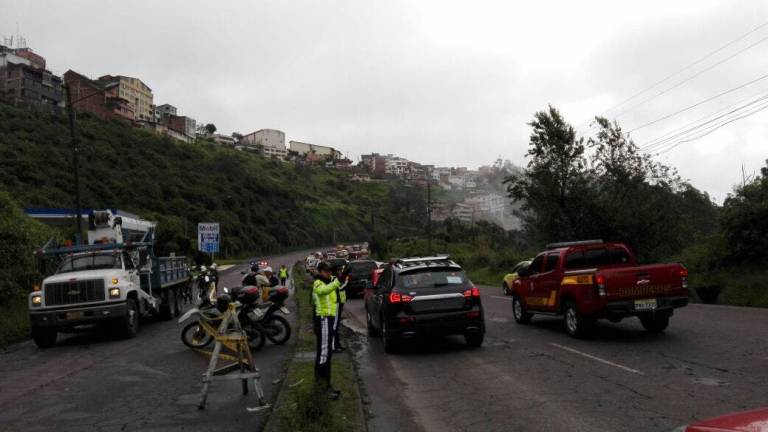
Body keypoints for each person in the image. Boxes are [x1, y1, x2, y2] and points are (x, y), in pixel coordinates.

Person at [313, 261, 342, 400]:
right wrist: (336, 282)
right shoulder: (318, 282)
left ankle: (326, 386)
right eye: (326, 271)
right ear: (319, 271)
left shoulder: (327, 281)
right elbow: (322, 291)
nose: (329, 273)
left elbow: (334, 290)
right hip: (323, 320)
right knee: (324, 354)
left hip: (328, 320)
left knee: (327, 354)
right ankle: (322, 389)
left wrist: (340, 277)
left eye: (330, 271)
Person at [331, 263, 348, 353]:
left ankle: (337, 344)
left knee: (336, 326)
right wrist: (346, 282)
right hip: (336, 303)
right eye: (339, 270)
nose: (340, 271)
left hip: (339, 303)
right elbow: (340, 288)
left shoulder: (337, 278)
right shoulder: (334, 279)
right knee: (334, 325)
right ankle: (333, 346)